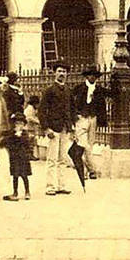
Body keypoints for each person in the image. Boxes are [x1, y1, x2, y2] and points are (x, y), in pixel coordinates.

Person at [39, 62, 74, 196]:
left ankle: (61, 185)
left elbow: (71, 109)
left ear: (67, 74)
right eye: (59, 71)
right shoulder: (49, 90)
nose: (61, 74)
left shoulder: (68, 90)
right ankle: (50, 186)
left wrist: (71, 128)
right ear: (55, 73)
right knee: (52, 159)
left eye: (64, 72)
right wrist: (46, 128)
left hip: (65, 128)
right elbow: (42, 111)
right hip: (53, 129)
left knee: (62, 158)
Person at [72, 66, 112, 180]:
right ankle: (91, 170)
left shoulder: (99, 89)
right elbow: (71, 102)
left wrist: (115, 81)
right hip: (81, 118)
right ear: (86, 76)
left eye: (94, 75)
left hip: (93, 118)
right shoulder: (79, 88)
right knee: (82, 145)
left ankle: (88, 171)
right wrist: (75, 116)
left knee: (89, 145)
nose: (92, 77)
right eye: (90, 75)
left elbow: (113, 93)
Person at [2, 112, 32, 201]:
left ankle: (27, 191)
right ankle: (15, 192)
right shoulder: (11, 133)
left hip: (23, 157)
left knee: (24, 175)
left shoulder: (25, 134)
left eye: (21, 123)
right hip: (14, 157)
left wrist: (20, 137)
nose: (19, 125)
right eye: (17, 123)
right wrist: (14, 136)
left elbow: (27, 144)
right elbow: (8, 143)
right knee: (15, 176)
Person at [23, 96, 41, 160]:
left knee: (32, 142)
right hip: (28, 127)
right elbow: (29, 118)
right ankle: (29, 155)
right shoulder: (29, 109)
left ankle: (30, 154)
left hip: (31, 127)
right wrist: (38, 121)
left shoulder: (32, 109)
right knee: (29, 142)